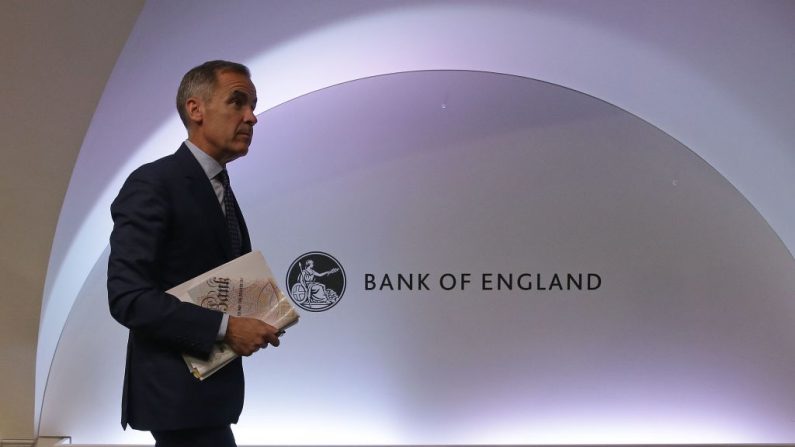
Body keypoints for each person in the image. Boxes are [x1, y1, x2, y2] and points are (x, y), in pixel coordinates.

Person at [107, 60, 281, 447]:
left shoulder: (219, 186)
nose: (251, 117)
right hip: (176, 400)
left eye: (253, 105)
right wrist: (227, 328)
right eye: (237, 102)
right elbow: (128, 298)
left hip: (207, 397)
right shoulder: (153, 183)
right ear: (195, 109)